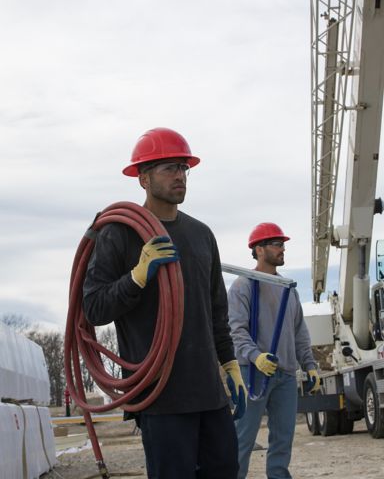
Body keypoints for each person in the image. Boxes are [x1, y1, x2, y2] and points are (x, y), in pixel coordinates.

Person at [82, 127, 247, 479]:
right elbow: (93, 307)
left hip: (208, 391)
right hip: (160, 396)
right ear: (143, 178)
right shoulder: (120, 233)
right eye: (169, 168)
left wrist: (230, 363)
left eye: (184, 168)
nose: (180, 176)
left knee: (226, 470)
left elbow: (216, 310)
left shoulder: (202, 235)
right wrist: (137, 276)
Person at [228, 222, 320, 479]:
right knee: (243, 439)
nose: (282, 249)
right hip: (252, 373)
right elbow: (237, 331)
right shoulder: (242, 286)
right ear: (259, 249)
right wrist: (255, 357)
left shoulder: (288, 288)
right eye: (276, 244)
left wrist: (310, 364)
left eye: (283, 245)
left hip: (286, 375)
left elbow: (299, 330)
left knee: (282, 441)